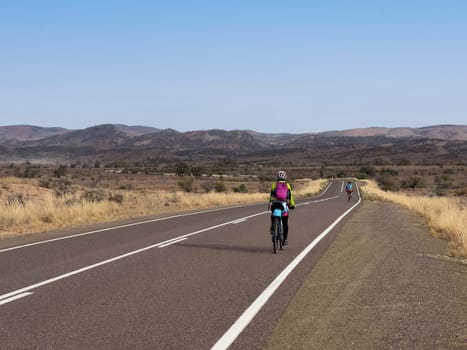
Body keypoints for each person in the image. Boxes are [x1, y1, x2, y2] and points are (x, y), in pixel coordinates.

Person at [269, 170, 295, 245]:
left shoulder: (274, 185)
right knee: (285, 223)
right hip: (284, 204)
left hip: (275, 204)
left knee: (273, 215)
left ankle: (272, 227)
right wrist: (292, 205)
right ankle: (285, 239)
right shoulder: (287, 185)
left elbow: (271, 196)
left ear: (277, 177)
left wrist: (270, 203)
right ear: (285, 177)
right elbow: (290, 197)